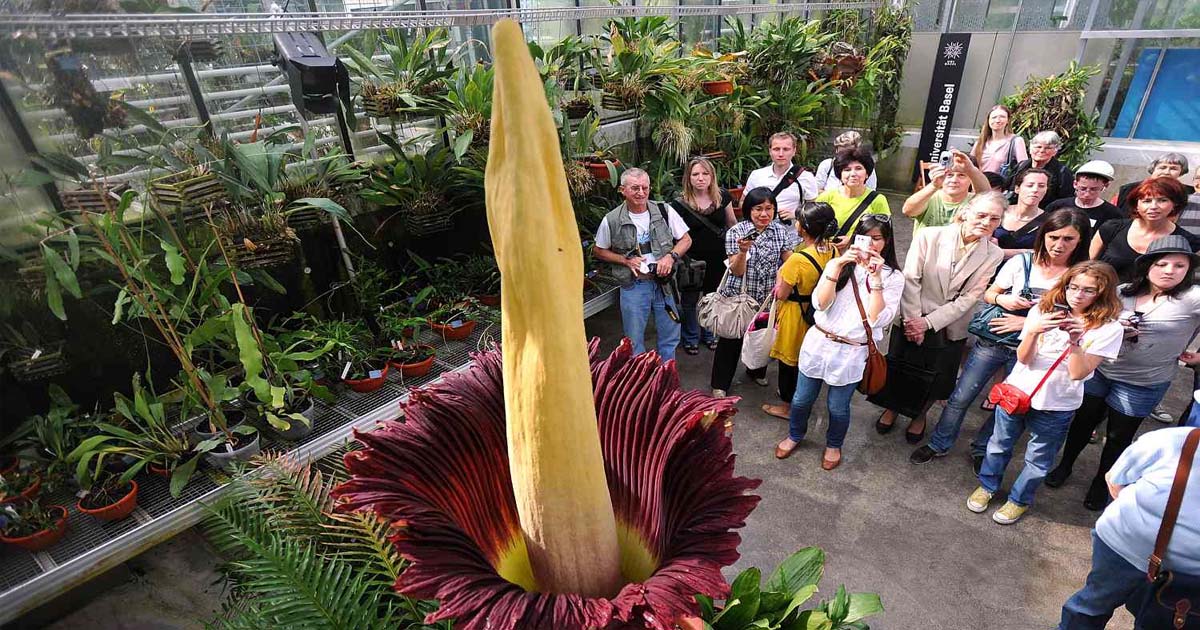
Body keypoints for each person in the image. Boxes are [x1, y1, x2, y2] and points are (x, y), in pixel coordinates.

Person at [911, 209, 1092, 469]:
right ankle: (939, 442)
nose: (1058, 245)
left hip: (1035, 352)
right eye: (1053, 237)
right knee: (960, 396)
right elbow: (989, 293)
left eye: (1068, 239)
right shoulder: (1023, 262)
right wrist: (1002, 298)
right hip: (994, 340)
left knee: (1005, 404)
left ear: (1080, 241)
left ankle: (981, 449)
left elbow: (1085, 317)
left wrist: (1027, 323)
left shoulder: (1081, 275)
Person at [1045, 236, 1200, 510]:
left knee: (1118, 438)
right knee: (1082, 424)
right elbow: (1089, 315)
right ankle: (1065, 465)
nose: (1169, 270)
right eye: (1162, 263)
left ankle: (1102, 483)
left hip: (1142, 383)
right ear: (1148, 265)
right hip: (1100, 371)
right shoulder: (1122, 291)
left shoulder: (1191, 298)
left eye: (1179, 265)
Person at [968, 261, 1124, 525]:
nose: (1078, 295)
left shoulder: (1109, 329)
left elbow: (1078, 373)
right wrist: (1033, 331)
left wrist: (1075, 342)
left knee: (1039, 458)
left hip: (1058, 403)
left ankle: (1019, 500)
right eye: (1073, 287)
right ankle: (987, 485)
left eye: (1088, 290)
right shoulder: (1043, 309)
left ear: (1102, 293)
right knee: (998, 444)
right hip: (1018, 391)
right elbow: (1023, 358)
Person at [774, 215, 904, 470]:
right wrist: (838, 267)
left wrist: (876, 280)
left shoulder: (893, 277)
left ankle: (834, 444)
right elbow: (819, 303)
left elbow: (878, 319)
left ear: (886, 242)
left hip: (851, 351)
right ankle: (794, 435)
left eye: (877, 239)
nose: (871, 245)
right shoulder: (838, 264)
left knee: (838, 406)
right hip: (819, 341)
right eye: (865, 238)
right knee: (801, 399)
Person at [874, 193, 1006, 442]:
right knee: (900, 366)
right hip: (913, 312)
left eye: (994, 219)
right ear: (966, 212)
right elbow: (912, 278)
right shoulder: (930, 235)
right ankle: (891, 407)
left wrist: (928, 323)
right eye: (981, 215)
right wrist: (915, 320)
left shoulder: (993, 254)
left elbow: (970, 297)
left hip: (949, 324)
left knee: (937, 376)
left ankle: (919, 415)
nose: (986, 222)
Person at [1058, 427, 1200, 629]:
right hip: (1124, 550)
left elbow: (1115, 481)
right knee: (1093, 605)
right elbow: (1115, 479)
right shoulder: (1170, 440)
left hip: (1187, 575)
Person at [593, 168, 692, 360]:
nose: (641, 192)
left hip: (665, 284)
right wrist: (626, 260)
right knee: (633, 340)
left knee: (670, 336)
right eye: (635, 188)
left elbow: (686, 240)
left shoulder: (664, 210)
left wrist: (670, 257)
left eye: (645, 188)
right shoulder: (612, 219)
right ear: (622, 190)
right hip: (634, 285)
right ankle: (641, 383)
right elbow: (598, 250)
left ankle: (666, 378)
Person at [710, 187, 795, 396]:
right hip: (739, 297)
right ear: (749, 210)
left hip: (767, 298)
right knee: (731, 341)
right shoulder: (737, 232)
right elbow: (737, 271)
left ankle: (756, 372)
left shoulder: (780, 232)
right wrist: (742, 251)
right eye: (758, 209)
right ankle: (720, 384)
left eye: (769, 208)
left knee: (761, 338)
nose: (764, 214)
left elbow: (790, 261)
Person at [762, 202, 838, 419]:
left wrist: (780, 274)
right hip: (818, 314)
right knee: (808, 358)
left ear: (802, 227)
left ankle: (787, 406)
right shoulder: (832, 250)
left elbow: (781, 294)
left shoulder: (798, 259)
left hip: (796, 314)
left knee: (790, 362)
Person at [671, 157, 736, 355]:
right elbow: (674, 233)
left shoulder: (722, 196)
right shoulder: (679, 203)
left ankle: (709, 333)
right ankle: (690, 336)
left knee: (713, 297)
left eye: (705, 173)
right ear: (688, 178)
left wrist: (738, 252)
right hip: (691, 260)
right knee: (689, 300)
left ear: (712, 176)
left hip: (717, 257)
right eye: (695, 174)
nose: (701, 178)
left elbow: (732, 223)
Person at [1091, 177, 1200, 282]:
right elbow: (1087, 265)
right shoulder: (1112, 228)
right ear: (1136, 205)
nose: (1153, 206)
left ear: (1175, 204)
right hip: (1104, 296)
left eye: (1162, 200)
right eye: (1146, 201)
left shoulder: (1187, 241)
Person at [815, 147, 890, 248]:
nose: (853, 174)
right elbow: (811, 227)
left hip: (858, 256)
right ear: (840, 175)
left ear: (867, 173)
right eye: (847, 169)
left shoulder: (878, 200)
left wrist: (852, 240)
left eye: (858, 168)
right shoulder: (827, 196)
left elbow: (884, 233)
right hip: (825, 254)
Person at [902, 148, 991, 232]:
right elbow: (908, 211)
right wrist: (934, 185)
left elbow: (988, 196)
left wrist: (971, 170)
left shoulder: (974, 201)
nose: (954, 180)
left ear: (971, 179)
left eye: (961, 175)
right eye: (949, 175)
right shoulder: (929, 197)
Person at [743, 132, 819, 224]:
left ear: (794, 151)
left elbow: (814, 210)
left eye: (786, 149)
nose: (781, 154)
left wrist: (796, 214)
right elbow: (743, 203)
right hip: (760, 234)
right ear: (770, 151)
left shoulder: (806, 177)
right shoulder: (757, 175)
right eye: (776, 149)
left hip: (792, 235)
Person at [1046, 160, 1124, 229]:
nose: (1087, 194)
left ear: (1105, 186)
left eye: (1094, 189)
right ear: (1075, 184)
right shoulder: (1057, 206)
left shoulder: (1112, 214)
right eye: (1083, 189)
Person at [1006, 131, 1074, 209]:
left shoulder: (1062, 173)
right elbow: (1010, 190)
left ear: (1055, 151)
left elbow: (1066, 201)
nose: (1042, 151)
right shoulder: (1021, 166)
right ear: (1030, 148)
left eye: (1048, 148)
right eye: (1038, 147)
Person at [994, 168, 1050, 259]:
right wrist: (1027, 252)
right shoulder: (998, 211)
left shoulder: (1049, 221)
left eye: (1041, 186)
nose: (1035, 190)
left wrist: (999, 252)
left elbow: (1045, 253)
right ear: (1017, 188)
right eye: (1030, 185)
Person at [1114, 152, 1195, 211]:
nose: (1166, 172)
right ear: (1153, 169)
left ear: (1181, 172)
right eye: (1162, 167)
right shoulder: (1129, 189)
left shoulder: (1190, 193)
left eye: (1173, 169)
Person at [971, 104, 1028, 177]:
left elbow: (1023, 168)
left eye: (1002, 117)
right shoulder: (980, 143)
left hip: (1000, 186)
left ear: (1008, 120)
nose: (997, 120)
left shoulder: (1015, 141)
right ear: (988, 121)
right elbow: (970, 165)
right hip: (978, 186)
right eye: (994, 117)